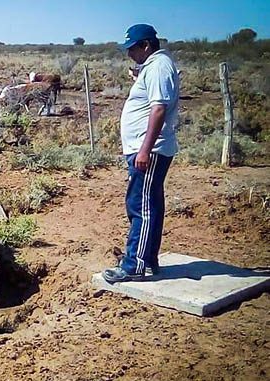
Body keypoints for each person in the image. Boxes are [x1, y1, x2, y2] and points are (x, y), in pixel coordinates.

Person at [103, 24, 180, 282]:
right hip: (146, 148)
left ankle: (133, 265)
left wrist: (145, 150)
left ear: (146, 45)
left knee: (140, 206)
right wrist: (139, 78)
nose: (129, 54)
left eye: (132, 49)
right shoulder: (154, 67)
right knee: (150, 204)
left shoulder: (158, 66)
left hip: (149, 150)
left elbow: (158, 109)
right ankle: (147, 260)